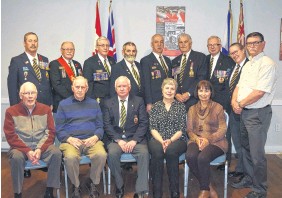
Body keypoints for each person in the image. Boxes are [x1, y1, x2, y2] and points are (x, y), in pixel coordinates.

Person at [231, 32, 277, 198]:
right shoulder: (249, 64)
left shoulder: (267, 64)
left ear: (263, 44)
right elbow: (238, 86)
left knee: (257, 155)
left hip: (257, 113)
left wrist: (241, 104)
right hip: (244, 113)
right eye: (249, 43)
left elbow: (259, 92)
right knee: (246, 149)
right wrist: (234, 102)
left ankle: (260, 190)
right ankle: (250, 179)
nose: (251, 46)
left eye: (255, 43)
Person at [3, 82, 61, 198]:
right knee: (16, 157)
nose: (30, 96)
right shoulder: (11, 111)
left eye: (32, 93)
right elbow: (11, 135)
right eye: (26, 93)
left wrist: (39, 149)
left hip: (42, 147)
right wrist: (28, 151)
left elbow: (50, 132)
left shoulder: (45, 109)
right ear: (20, 96)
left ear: (36, 95)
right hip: (20, 148)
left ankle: (49, 191)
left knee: (56, 153)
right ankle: (18, 193)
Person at [7, 32, 53, 178]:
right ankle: (24, 166)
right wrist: (16, 107)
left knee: (41, 134)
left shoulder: (44, 60)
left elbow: (47, 83)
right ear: (25, 43)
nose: (33, 43)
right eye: (30, 41)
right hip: (24, 106)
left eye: (35, 41)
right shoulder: (17, 61)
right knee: (24, 134)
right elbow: (12, 85)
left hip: (42, 105)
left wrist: (50, 103)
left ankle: (42, 158)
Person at [56, 76, 107, 198]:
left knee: (101, 155)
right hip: (71, 141)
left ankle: (93, 182)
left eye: (82, 87)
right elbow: (59, 128)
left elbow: (100, 126)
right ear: (72, 88)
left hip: (91, 140)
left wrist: (96, 137)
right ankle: (76, 185)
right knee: (70, 158)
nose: (79, 90)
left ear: (87, 88)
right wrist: (69, 139)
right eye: (77, 87)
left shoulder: (94, 104)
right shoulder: (63, 104)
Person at [103, 76, 149, 198]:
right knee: (112, 154)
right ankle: (119, 185)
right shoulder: (108, 103)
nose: (122, 88)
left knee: (144, 153)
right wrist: (118, 140)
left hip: (135, 139)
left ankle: (140, 190)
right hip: (116, 139)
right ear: (115, 88)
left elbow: (144, 123)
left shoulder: (138, 101)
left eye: (124, 86)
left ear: (129, 87)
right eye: (119, 86)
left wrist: (134, 140)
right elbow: (107, 125)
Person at [186, 80, 227, 198]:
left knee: (203, 157)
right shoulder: (192, 109)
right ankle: (208, 186)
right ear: (197, 92)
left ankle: (204, 190)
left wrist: (208, 140)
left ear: (211, 92)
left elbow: (223, 129)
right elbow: (189, 130)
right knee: (190, 156)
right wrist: (197, 139)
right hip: (196, 139)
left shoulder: (218, 107)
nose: (203, 94)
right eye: (201, 90)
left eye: (206, 90)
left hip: (216, 141)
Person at [148, 78, 187, 198]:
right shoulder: (155, 106)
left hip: (177, 140)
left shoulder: (181, 107)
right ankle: (157, 192)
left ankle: (175, 191)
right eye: (167, 88)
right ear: (162, 90)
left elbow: (181, 129)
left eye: (172, 88)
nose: (169, 91)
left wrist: (169, 141)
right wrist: (162, 141)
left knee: (171, 152)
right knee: (157, 152)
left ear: (175, 91)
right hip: (157, 139)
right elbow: (153, 128)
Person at [206, 36, 235, 170]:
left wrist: (226, 103)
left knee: (224, 132)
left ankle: (225, 161)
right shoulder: (204, 60)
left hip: (223, 103)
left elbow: (231, 84)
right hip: (206, 103)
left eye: (215, 44)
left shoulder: (228, 61)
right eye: (209, 45)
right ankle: (208, 156)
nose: (212, 47)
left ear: (220, 46)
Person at [227, 43, 249, 179]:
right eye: (232, 53)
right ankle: (241, 169)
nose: (234, 55)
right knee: (237, 141)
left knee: (244, 144)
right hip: (232, 110)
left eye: (236, 52)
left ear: (243, 50)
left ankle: (246, 173)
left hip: (244, 110)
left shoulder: (249, 67)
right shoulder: (234, 67)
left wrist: (240, 104)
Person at [172, 33, 207, 111]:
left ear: (190, 44)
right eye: (181, 42)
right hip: (178, 101)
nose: (183, 44)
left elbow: (201, 78)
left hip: (194, 100)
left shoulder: (200, 57)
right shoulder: (175, 61)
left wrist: (188, 93)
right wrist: (176, 94)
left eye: (185, 42)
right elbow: (174, 79)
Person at [140, 34, 172, 112]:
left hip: (168, 99)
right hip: (154, 101)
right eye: (156, 42)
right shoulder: (146, 60)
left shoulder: (167, 60)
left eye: (161, 42)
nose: (159, 44)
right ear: (152, 44)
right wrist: (149, 102)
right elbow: (146, 84)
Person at [83, 36, 116, 109]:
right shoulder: (89, 62)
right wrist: (91, 101)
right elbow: (88, 83)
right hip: (98, 100)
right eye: (102, 45)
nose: (105, 48)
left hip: (112, 99)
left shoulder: (112, 60)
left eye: (107, 45)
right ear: (97, 47)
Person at [49, 41, 83, 113]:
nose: (69, 51)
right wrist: (72, 98)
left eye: (71, 49)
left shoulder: (77, 64)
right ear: (61, 51)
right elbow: (56, 85)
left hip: (77, 103)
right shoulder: (54, 64)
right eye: (67, 49)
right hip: (61, 103)